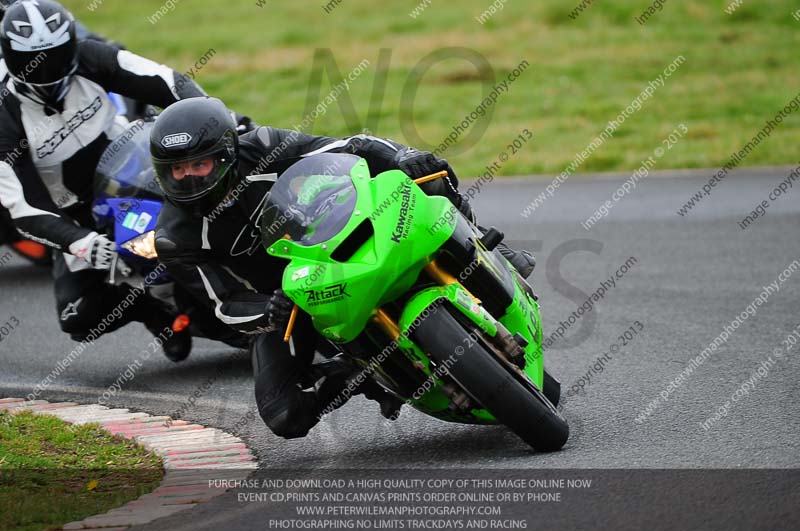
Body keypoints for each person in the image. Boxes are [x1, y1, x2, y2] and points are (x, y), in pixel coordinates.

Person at [151, 96, 536, 439]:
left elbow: (348, 147)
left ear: (227, 153)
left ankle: (482, 243)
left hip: (331, 242)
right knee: (284, 416)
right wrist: (268, 309)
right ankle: (352, 373)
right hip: (288, 301)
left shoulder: (263, 146)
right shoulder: (174, 237)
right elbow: (223, 304)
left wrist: (403, 156)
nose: (186, 178)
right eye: (176, 170)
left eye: (198, 165)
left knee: (424, 176)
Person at [0, 0, 209, 360]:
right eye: (37, 61)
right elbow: (24, 206)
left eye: (57, 54)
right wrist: (80, 242)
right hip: (80, 214)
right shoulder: (5, 114)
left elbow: (169, 81)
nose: (49, 69)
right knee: (77, 316)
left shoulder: (90, 55)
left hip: (137, 172)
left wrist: (213, 117)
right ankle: (153, 312)